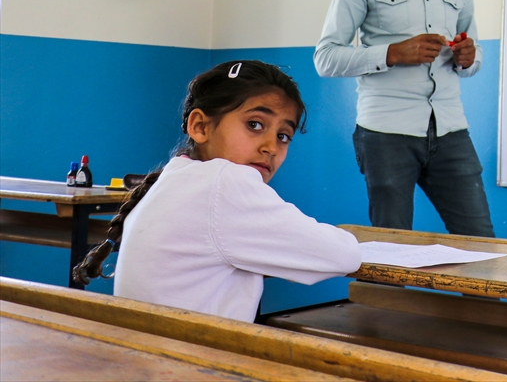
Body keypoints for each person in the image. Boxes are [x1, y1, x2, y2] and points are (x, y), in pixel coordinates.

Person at [71, 61, 362, 322]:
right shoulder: (226, 183)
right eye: (255, 124)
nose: (271, 147)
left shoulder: (177, 176)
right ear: (200, 126)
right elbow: (342, 256)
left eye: (283, 135)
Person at [314, 0, 494, 237]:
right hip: (386, 133)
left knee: (482, 241)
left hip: (450, 130)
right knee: (394, 247)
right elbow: (326, 57)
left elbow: (473, 57)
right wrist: (393, 52)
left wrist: (468, 57)